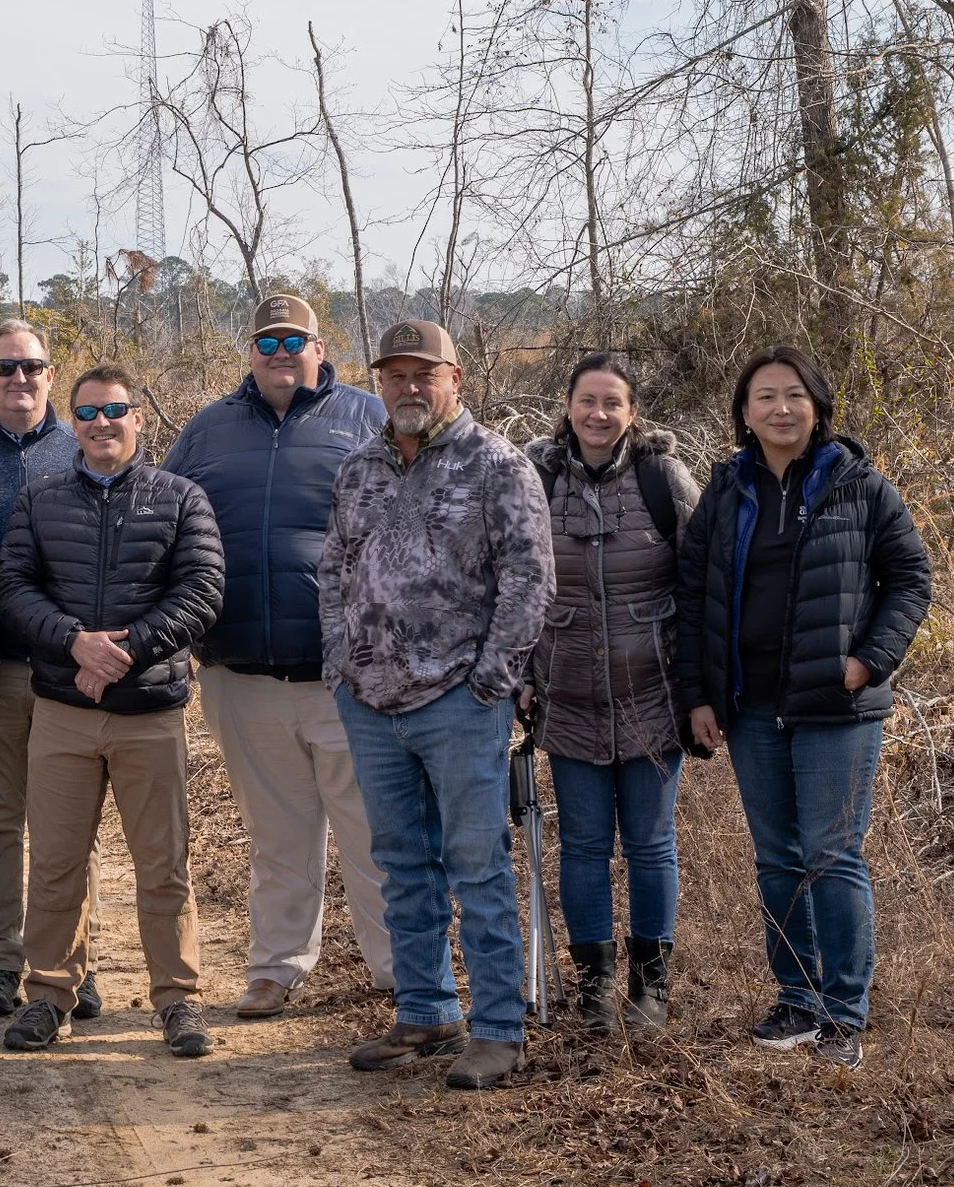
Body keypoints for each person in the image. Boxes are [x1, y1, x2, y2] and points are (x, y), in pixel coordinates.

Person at [675, 345, 932, 1071]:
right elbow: (694, 595)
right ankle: (796, 997)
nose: (779, 408)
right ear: (744, 411)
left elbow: (911, 578)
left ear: (818, 406)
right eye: (764, 396)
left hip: (836, 705)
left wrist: (868, 659)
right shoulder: (727, 489)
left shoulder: (859, 485)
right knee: (778, 858)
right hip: (750, 705)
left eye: (793, 395)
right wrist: (697, 693)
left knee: (832, 853)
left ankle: (844, 1012)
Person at [324, 319, 553, 1091]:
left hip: (459, 701)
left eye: (426, 374)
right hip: (371, 701)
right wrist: (340, 663)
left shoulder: (497, 465)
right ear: (380, 382)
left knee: (478, 863)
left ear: (456, 379)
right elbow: (333, 570)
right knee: (402, 863)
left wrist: (489, 681)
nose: (409, 387)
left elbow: (530, 580)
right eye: (396, 375)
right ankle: (425, 1010)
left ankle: (496, 1029)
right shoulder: (358, 469)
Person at [163, 294, 395, 1019]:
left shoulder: (367, 418)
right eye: (266, 342)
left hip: (348, 674)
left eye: (293, 339)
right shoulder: (209, 429)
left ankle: (403, 973)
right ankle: (276, 967)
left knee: (376, 832)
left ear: (320, 347)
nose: (280, 352)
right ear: (250, 353)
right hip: (243, 675)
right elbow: (160, 518)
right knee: (277, 836)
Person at [0, 365, 226, 1059]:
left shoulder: (181, 498)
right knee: (58, 860)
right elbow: (12, 586)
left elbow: (204, 588)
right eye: (89, 413)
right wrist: (74, 642)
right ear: (72, 422)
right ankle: (48, 995)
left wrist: (125, 651)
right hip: (63, 709)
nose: (102, 423)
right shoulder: (40, 500)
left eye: (115, 410)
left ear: (137, 419)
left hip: (148, 709)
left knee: (163, 863)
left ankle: (177, 998)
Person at [522, 352, 699, 1032]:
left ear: (633, 411)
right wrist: (520, 679)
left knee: (651, 843)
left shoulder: (664, 480)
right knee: (586, 845)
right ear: (568, 406)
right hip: (566, 698)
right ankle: (596, 986)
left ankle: (650, 987)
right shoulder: (535, 479)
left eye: (613, 402)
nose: (599, 413)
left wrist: (698, 687)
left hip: (653, 696)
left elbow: (702, 583)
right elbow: (512, 582)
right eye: (587, 400)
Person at [0, 320, 104, 1021]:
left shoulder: (86, 450)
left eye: (32, 367)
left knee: (69, 823)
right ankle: (1, 962)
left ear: (50, 373)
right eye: (5, 368)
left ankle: (73, 963)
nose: (19, 379)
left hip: (71, 669)